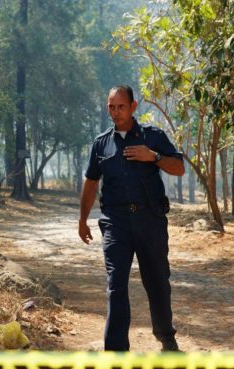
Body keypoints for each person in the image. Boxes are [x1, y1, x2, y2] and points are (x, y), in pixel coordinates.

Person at [78, 85, 185, 352]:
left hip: (150, 221)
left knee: (158, 281)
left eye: (121, 106)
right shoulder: (101, 143)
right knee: (116, 285)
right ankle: (116, 351)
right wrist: (82, 220)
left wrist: (154, 157)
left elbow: (179, 167)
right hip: (116, 224)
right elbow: (91, 183)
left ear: (133, 107)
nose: (116, 112)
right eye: (111, 107)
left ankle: (166, 338)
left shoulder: (153, 136)